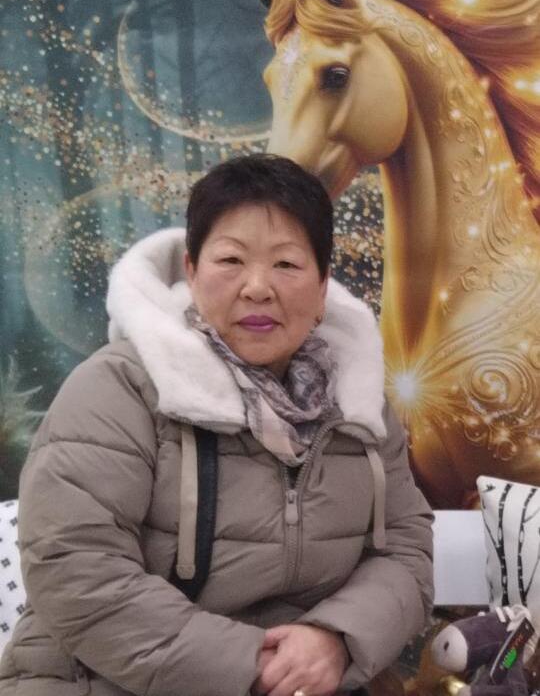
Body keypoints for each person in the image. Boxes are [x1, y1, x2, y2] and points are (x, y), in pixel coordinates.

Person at [0, 154, 433, 696]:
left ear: (323, 286)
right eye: (230, 259)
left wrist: (336, 639)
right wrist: (256, 666)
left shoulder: (358, 405)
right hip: (104, 679)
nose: (257, 287)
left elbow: (406, 548)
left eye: (287, 264)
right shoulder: (120, 389)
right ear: (191, 270)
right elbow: (75, 568)